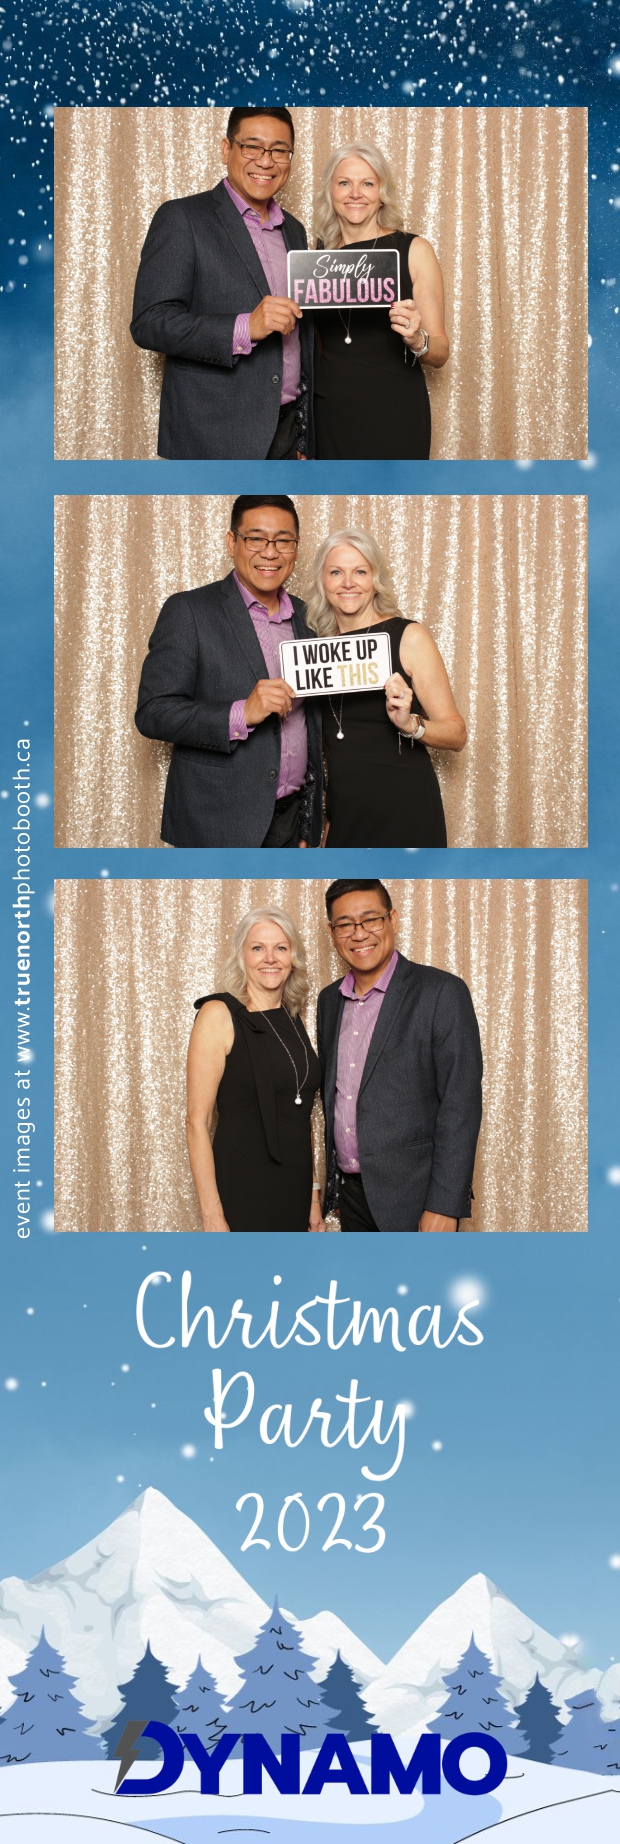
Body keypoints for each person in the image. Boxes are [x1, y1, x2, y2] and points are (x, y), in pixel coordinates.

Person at [134, 496, 323, 848]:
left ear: (296, 547)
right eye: (256, 539)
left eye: (283, 540)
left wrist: (308, 822)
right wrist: (241, 713)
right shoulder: (189, 610)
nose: (271, 552)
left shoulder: (308, 618)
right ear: (231, 542)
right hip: (217, 823)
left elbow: (309, 726)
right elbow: (153, 712)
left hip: (292, 821)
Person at [130, 107, 314, 459]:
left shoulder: (295, 230)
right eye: (252, 147)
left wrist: (303, 435)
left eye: (279, 150)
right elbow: (149, 323)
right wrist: (245, 327)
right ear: (226, 149)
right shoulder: (182, 217)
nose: (266, 161)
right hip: (213, 435)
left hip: (287, 434)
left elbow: (300, 339)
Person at [317, 880, 483, 1233]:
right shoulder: (329, 1000)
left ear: (392, 919)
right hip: (351, 1196)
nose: (359, 934)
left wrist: (444, 1204)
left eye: (370, 919)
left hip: (417, 1198)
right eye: (345, 924)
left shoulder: (441, 992)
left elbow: (461, 1103)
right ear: (332, 933)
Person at [304, 528, 465, 848]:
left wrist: (411, 725)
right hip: (347, 816)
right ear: (323, 581)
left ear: (375, 578)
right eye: (336, 572)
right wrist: (327, 825)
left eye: (360, 572)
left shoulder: (409, 637)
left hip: (406, 811)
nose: (348, 582)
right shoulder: (316, 652)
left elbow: (457, 734)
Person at [187, 909, 325, 1233]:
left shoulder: (293, 1019)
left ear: (292, 958)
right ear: (242, 956)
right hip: (243, 1184)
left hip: (295, 1187)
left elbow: (300, 1114)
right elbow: (196, 1121)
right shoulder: (218, 1014)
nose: (270, 958)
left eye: (281, 948)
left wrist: (313, 1195)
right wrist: (212, 1216)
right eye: (258, 948)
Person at [312, 141, 448, 459]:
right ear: (330, 191)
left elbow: (440, 352)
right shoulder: (316, 257)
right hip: (329, 412)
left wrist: (417, 340)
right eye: (344, 183)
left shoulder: (414, 250)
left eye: (367, 184)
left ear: (382, 192)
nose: (355, 193)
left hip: (395, 409)